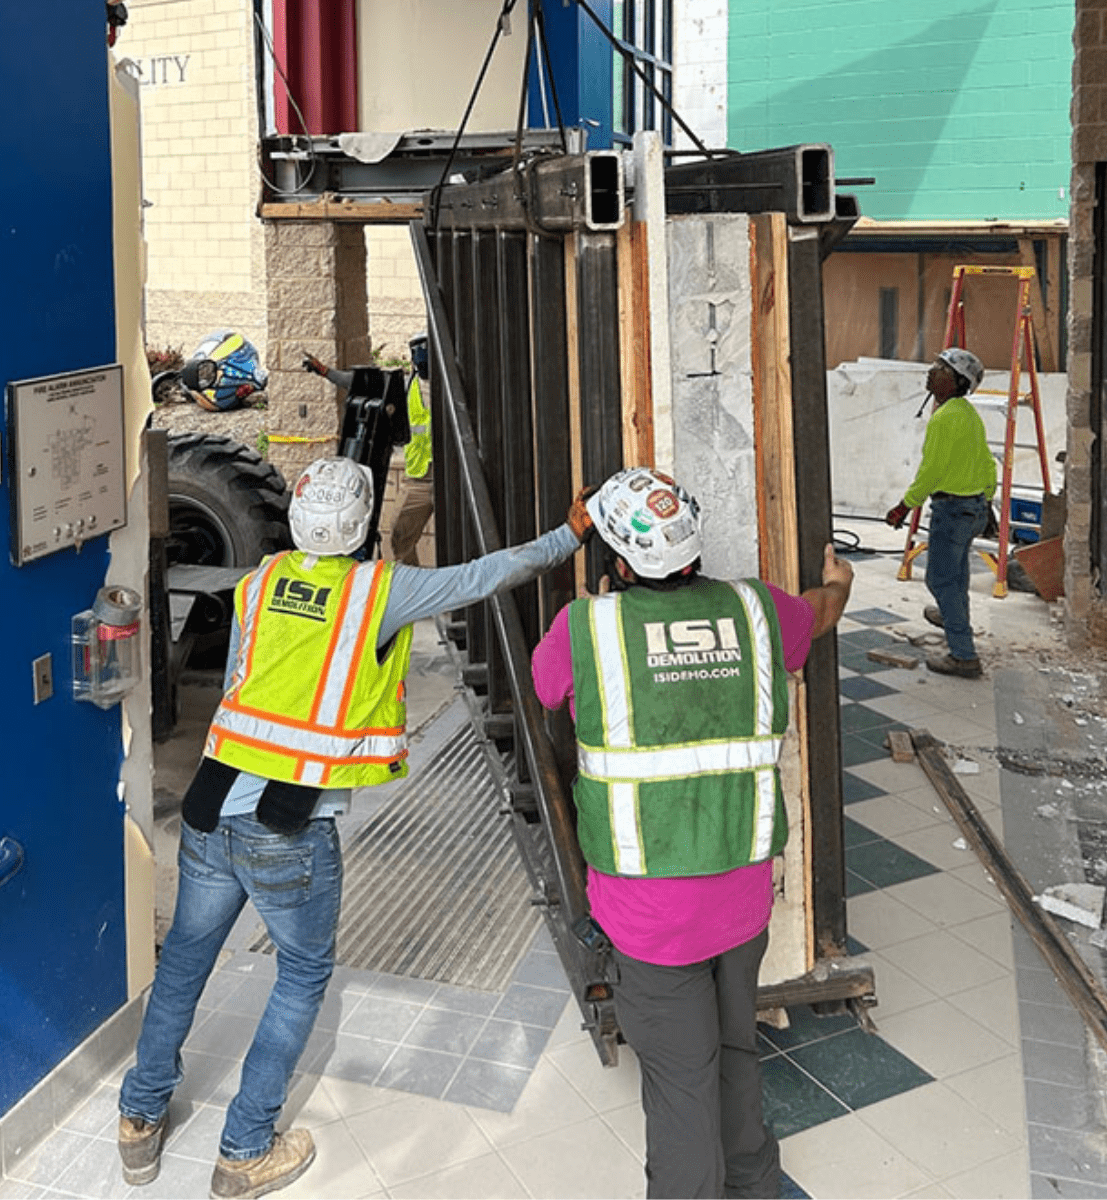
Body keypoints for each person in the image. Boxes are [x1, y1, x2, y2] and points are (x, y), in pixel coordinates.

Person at [119, 456, 590, 1200]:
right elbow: (481, 577)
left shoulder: (261, 581)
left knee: (183, 962)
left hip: (214, 804)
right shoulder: (381, 591)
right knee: (301, 977)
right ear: (363, 523)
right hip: (288, 821)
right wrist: (568, 535)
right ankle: (243, 1150)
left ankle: (138, 1119)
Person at [531, 467, 853, 1200]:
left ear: (615, 560)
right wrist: (841, 581)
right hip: (742, 899)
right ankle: (753, 1186)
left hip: (647, 916)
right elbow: (822, 611)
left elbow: (547, 687)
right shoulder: (757, 610)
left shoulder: (587, 628)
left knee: (681, 1084)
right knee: (737, 1050)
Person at [884, 347, 996, 678]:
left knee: (940, 579)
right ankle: (952, 617)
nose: (931, 372)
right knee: (957, 574)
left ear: (956, 382)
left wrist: (904, 506)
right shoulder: (969, 415)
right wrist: (986, 500)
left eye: (940, 368)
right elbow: (988, 463)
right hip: (972, 506)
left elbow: (930, 472)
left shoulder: (945, 419)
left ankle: (963, 656)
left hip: (952, 509)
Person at [304, 332, 434, 565]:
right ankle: (415, 586)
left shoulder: (455, 387)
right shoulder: (407, 387)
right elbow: (360, 385)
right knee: (399, 536)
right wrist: (325, 371)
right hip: (420, 480)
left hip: (456, 477)